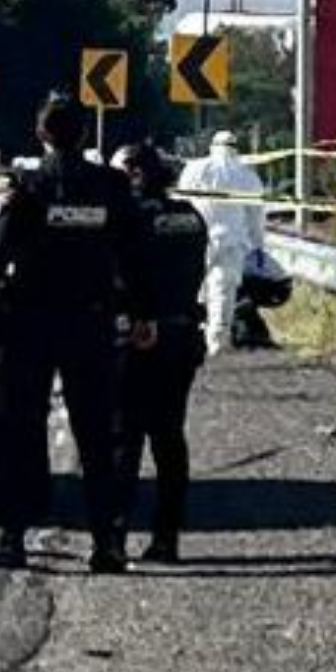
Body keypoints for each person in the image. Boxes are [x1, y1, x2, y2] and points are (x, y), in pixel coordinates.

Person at [0, 94, 154, 574]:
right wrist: (143, 313)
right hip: (91, 324)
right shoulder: (111, 186)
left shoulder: (29, 186)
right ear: (83, 135)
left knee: (21, 432)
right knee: (97, 438)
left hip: (32, 324)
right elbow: (137, 255)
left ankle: (13, 537)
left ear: (40, 136)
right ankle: (107, 543)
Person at [109, 142, 210, 565]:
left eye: (117, 173)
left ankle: (113, 537)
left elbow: (121, 276)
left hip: (139, 336)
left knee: (125, 439)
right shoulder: (190, 217)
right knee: (169, 438)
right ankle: (166, 539)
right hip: (183, 334)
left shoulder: (131, 219)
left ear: (134, 174)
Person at [178, 130, 267, 353]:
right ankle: (216, 342)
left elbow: (180, 202)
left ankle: (189, 336)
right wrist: (258, 247)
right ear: (236, 147)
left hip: (196, 239)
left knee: (191, 288)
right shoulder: (246, 174)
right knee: (222, 293)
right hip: (231, 241)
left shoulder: (195, 168)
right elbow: (255, 216)